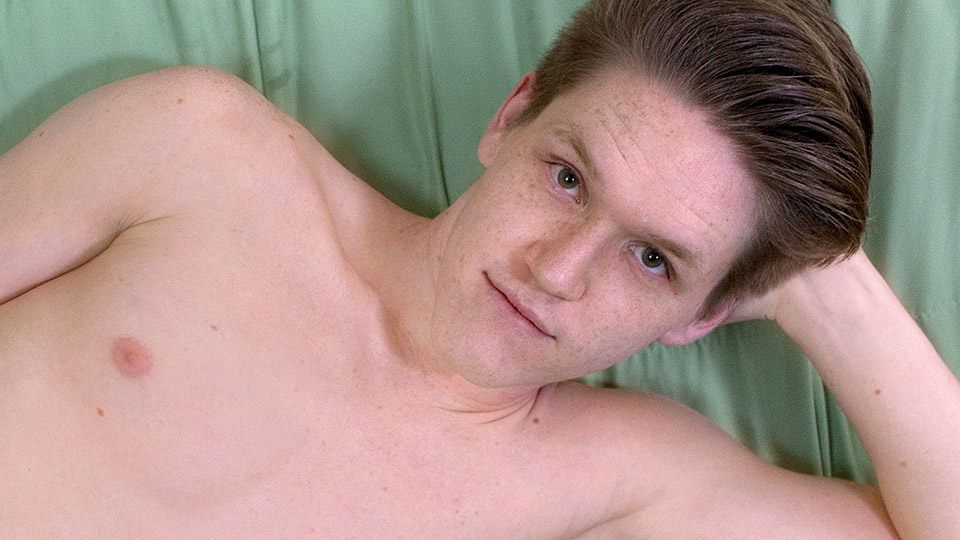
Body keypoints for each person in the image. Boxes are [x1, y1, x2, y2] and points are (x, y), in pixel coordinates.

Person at [1, 0, 957, 538]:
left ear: (709, 310)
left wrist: (826, 290)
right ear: (511, 117)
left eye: (653, 258)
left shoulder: (621, 475)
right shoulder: (201, 150)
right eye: (569, 177)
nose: (558, 270)